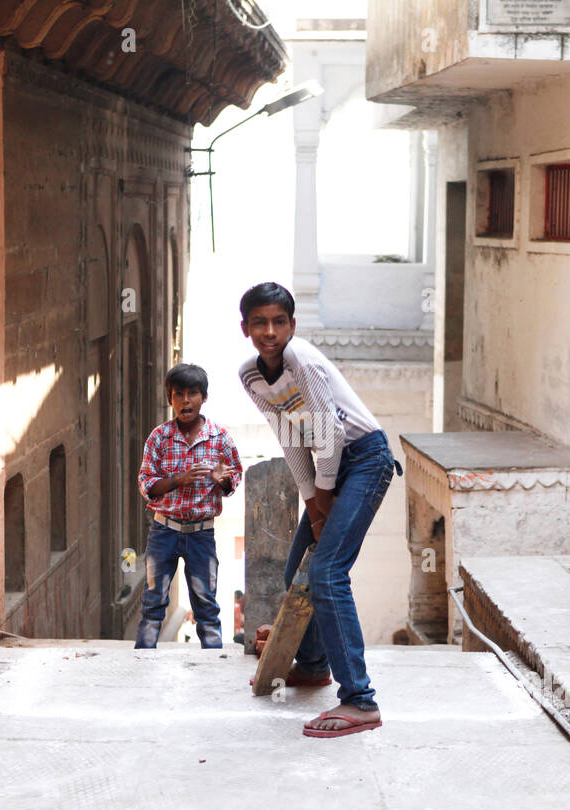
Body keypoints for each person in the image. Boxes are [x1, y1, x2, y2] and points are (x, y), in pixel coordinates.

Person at [237, 281, 401, 738]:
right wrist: (312, 504)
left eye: (279, 322)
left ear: (292, 324)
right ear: (245, 328)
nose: (269, 331)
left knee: (327, 573)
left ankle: (361, 701)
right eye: (259, 323)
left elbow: (327, 436)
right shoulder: (251, 375)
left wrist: (324, 497)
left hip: (365, 460)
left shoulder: (302, 360)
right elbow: (291, 439)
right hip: (328, 474)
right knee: (298, 574)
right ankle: (311, 666)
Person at [135, 363, 242, 649]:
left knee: (206, 605)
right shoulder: (159, 438)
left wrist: (223, 481)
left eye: (192, 393)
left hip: (201, 535)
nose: (185, 400)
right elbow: (146, 484)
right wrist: (178, 480)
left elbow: (234, 480)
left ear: (203, 397)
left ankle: (213, 667)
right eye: (178, 393)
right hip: (163, 531)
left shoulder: (220, 439)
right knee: (153, 603)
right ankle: (141, 664)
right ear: (169, 398)